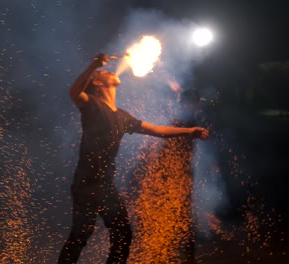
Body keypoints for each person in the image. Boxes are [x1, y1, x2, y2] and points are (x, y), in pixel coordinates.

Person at [58, 54, 209, 264]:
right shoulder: (91, 105)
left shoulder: (122, 116)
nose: (111, 71)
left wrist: (188, 130)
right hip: (86, 183)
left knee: (123, 235)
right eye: (104, 72)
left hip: (106, 185)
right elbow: (75, 92)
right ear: (98, 82)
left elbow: (156, 130)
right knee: (80, 236)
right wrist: (93, 65)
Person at [129, 88, 203, 263]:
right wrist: (161, 178)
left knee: (184, 220)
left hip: (182, 179)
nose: (191, 106)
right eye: (188, 102)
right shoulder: (179, 123)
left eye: (193, 103)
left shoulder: (191, 122)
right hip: (169, 179)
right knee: (167, 219)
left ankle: (183, 258)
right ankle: (158, 255)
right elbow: (164, 152)